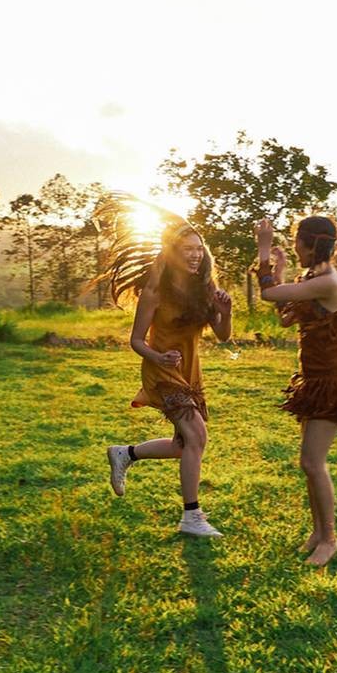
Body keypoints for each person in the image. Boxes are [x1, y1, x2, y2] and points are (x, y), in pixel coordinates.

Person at [105, 222, 232, 536]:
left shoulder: (205, 288)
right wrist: (158, 357)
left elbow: (224, 336)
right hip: (161, 369)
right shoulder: (156, 291)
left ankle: (125, 453)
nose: (195, 255)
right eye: (188, 249)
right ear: (173, 253)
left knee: (183, 445)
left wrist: (225, 312)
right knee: (197, 437)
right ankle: (191, 517)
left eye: (199, 249)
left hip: (189, 370)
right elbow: (136, 340)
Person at [254, 214, 337, 566]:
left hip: (332, 381)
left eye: (296, 242)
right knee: (309, 463)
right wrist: (283, 274)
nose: (294, 248)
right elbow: (285, 313)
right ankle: (317, 532)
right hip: (313, 380)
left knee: (313, 462)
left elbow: (268, 294)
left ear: (312, 244)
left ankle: (329, 539)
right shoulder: (312, 278)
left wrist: (265, 248)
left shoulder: (329, 282)